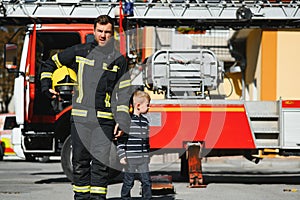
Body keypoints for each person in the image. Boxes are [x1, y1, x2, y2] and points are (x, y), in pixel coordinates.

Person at [40, 15, 132, 200]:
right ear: (94, 31)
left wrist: (121, 121)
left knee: (101, 165)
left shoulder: (119, 60)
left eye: (107, 32)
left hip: (105, 120)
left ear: (112, 34)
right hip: (80, 118)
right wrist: (46, 87)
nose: (103, 35)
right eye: (100, 31)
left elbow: (124, 94)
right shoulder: (79, 51)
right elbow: (50, 63)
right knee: (80, 163)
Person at [117, 90, 152, 200]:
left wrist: (147, 155)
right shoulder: (128, 122)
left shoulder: (145, 122)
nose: (149, 107)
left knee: (146, 180)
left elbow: (146, 141)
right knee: (129, 181)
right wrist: (122, 155)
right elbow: (121, 140)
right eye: (147, 105)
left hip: (142, 159)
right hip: (130, 159)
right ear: (138, 106)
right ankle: (125, 197)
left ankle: (147, 198)